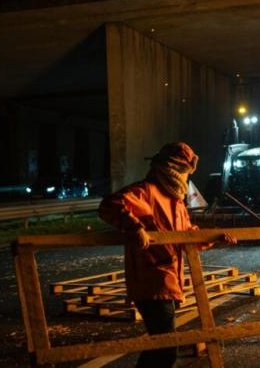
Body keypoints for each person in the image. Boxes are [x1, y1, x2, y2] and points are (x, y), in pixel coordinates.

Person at [98, 143, 235, 368]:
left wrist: (215, 237)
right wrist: (134, 228)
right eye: (183, 170)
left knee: (161, 348)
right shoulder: (146, 191)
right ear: (170, 167)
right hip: (151, 283)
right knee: (165, 350)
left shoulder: (176, 202)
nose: (184, 176)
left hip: (170, 282)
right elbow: (109, 205)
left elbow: (187, 236)